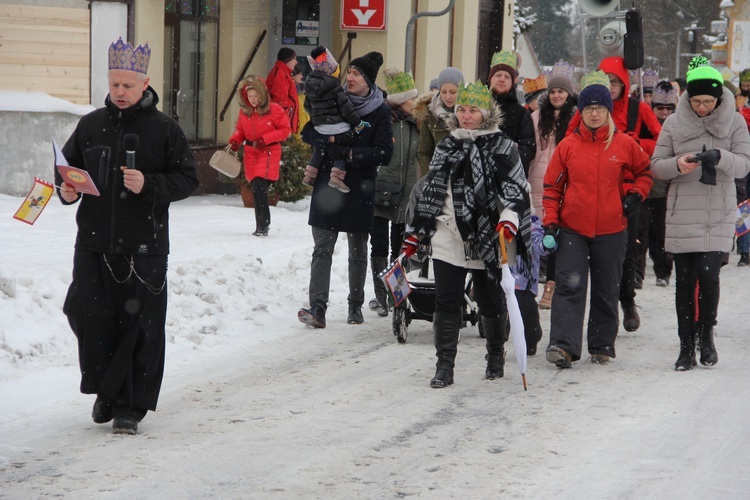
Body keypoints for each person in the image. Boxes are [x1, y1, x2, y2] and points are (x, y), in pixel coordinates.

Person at [55, 39, 199, 435]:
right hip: (93, 241)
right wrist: (65, 189)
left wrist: (148, 184)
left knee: (140, 325)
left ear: (146, 84)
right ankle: (106, 387)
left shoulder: (164, 129)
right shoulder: (90, 124)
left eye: (128, 86)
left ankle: (129, 406)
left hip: (144, 244)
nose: (120, 92)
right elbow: (67, 169)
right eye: (115, 84)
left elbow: (188, 179)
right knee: (87, 314)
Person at [404, 80, 532, 388]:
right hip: (449, 233)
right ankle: (444, 366)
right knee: (446, 301)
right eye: (462, 109)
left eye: (473, 109)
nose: (466, 115)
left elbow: (516, 191)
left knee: (489, 302)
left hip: (490, 235)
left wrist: (509, 220)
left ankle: (495, 354)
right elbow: (431, 190)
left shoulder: (502, 146)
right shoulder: (447, 145)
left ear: (486, 111)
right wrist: (418, 229)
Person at [543, 70, 653, 369]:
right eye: (589, 108)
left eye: (600, 108)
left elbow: (645, 172)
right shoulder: (568, 146)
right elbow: (552, 188)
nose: (594, 113)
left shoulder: (624, 144)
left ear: (608, 111)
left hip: (612, 229)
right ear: (581, 111)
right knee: (569, 286)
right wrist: (550, 222)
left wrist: (635, 195)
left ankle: (602, 344)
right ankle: (563, 346)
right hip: (572, 229)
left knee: (607, 288)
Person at [651, 57, 750, 371]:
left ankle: (706, 333)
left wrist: (719, 156)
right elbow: (656, 166)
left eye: (708, 101)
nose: (703, 107)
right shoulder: (674, 122)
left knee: (709, 275)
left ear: (719, 97)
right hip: (683, 210)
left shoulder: (735, 121)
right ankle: (685, 346)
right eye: (696, 101)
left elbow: (744, 165)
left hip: (718, 208)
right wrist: (679, 164)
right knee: (685, 280)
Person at [297, 51, 394, 328]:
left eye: (355, 74)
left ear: (368, 81)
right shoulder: (331, 99)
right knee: (322, 249)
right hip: (327, 184)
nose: (349, 78)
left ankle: (355, 306)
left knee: (358, 250)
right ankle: (318, 308)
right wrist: (332, 143)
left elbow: (384, 153)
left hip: (359, 187)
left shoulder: (380, 111)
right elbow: (308, 132)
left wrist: (350, 153)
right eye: (348, 72)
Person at [567, 56, 662, 332]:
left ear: (625, 84)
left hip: (627, 194)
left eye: (615, 82)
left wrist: (636, 142)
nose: (610, 86)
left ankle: (627, 301)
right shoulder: (587, 109)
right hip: (592, 194)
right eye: (606, 80)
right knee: (592, 258)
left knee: (627, 251)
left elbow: (659, 140)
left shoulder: (638, 109)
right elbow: (570, 140)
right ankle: (594, 314)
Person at [527, 59, 577, 310]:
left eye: (562, 91)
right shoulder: (537, 116)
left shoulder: (577, 118)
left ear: (569, 94)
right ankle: (530, 284)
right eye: (554, 91)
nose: (557, 95)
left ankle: (551, 287)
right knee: (536, 237)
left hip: (564, 187)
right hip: (537, 185)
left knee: (555, 237)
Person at [368, 68, 420, 316]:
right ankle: (381, 295)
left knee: (399, 247)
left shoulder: (417, 123)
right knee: (378, 244)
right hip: (381, 191)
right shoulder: (382, 119)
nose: (415, 102)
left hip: (407, 194)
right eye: (411, 98)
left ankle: (395, 294)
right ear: (400, 100)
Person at [228, 75, 291, 236]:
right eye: (250, 96)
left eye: (256, 96)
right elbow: (240, 130)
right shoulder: (245, 112)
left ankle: (263, 225)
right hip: (251, 152)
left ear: (262, 94)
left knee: (259, 185)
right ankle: (261, 224)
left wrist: (266, 138)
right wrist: (235, 140)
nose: (253, 99)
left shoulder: (274, 109)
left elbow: (285, 130)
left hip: (268, 151)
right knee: (257, 189)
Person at [301, 46, 368, 193]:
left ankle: (310, 174)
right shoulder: (335, 88)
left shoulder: (311, 87)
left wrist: (319, 116)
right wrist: (358, 123)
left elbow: (308, 107)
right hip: (336, 126)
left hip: (319, 126)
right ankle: (337, 177)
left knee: (320, 148)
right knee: (341, 147)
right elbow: (346, 109)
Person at [635, 80, 678, 287]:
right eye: (660, 108)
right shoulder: (643, 125)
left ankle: (663, 271)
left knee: (662, 234)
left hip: (665, 188)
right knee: (639, 233)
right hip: (643, 187)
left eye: (669, 109)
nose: (664, 112)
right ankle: (636, 273)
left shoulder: (677, 127)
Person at [488, 50, 536, 175]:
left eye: (507, 76)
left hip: (509, 177)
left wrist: (507, 160)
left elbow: (528, 147)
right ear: (490, 78)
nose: (502, 79)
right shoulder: (477, 108)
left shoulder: (521, 113)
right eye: (498, 75)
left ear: (512, 81)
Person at [414, 67, 464, 178]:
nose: (448, 97)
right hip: (438, 178)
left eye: (453, 92)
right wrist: (429, 176)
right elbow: (424, 151)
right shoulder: (430, 114)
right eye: (443, 92)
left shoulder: (469, 113)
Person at [266, 47, 299, 134]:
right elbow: (280, 103)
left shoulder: (284, 73)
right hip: (281, 126)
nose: (296, 62)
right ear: (287, 60)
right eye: (294, 59)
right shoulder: (280, 74)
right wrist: (284, 127)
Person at [292, 65, 310, 137]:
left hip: (305, 135)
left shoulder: (303, 93)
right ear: (293, 75)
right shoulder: (289, 94)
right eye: (299, 74)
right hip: (296, 138)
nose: (302, 76)